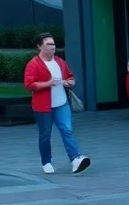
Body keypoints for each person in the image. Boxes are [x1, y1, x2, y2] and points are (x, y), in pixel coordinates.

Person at [23, 32, 90, 175]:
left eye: (53, 44)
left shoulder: (59, 62)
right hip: (43, 107)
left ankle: (75, 159)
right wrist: (48, 83)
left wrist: (70, 82)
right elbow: (29, 85)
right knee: (45, 134)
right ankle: (46, 162)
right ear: (39, 46)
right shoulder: (34, 64)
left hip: (62, 104)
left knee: (67, 130)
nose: (52, 47)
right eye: (48, 44)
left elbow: (70, 77)